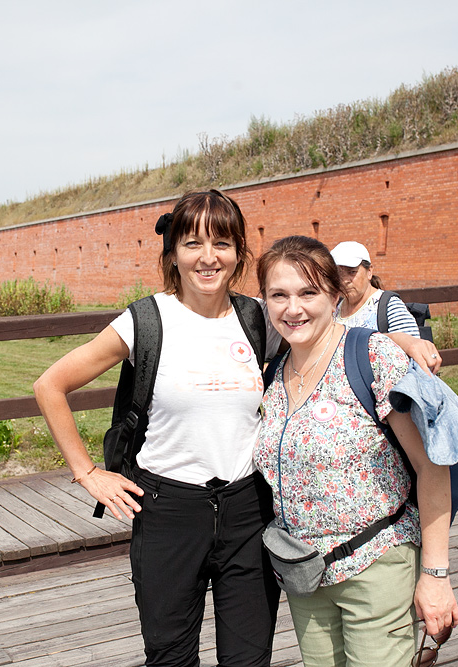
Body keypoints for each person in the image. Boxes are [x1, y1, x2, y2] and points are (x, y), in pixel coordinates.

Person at [34, 190, 282, 667]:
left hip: (247, 510)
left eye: (222, 243)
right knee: (170, 659)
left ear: (239, 252)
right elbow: (50, 385)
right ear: (172, 252)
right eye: (193, 243)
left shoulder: (257, 318)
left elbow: (328, 324)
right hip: (167, 511)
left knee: (249, 660)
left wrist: (402, 337)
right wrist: (87, 472)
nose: (208, 258)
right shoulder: (146, 320)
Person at [254, 235, 458, 667]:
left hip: (377, 564)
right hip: (305, 575)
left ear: (333, 294)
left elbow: (432, 465)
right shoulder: (274, 373)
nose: (294, 309)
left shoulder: (372, 356)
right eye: (279, 295)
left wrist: (435, 576)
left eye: (308, 292)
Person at [331, 240, 419, 336]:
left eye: (352, 272)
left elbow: (411, 346)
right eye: (338, 274)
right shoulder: (334, 309)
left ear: (369, 272)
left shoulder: (390, 307)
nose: (345, 281)